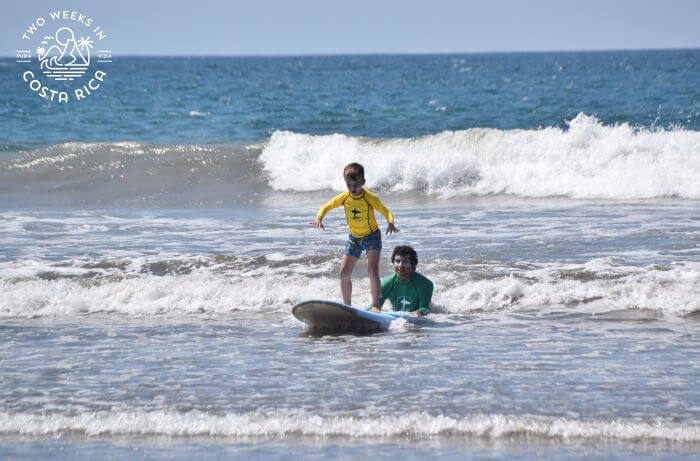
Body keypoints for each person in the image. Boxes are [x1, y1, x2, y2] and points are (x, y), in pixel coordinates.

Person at [311, 162, 398, 309]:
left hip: (372, 236)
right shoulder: (344, 197)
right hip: (354, 238)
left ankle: (376, 306)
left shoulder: (369, 198)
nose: (352, 188)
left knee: (372, 271)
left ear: (363, 182)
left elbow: (385, 211)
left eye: (355, 185)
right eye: (348, 185)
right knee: (344, 272)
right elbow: (327, 206)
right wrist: (319, 217)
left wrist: (390, 222)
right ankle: (347, 307)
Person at [369, 245, 433, 316]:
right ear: (393, 263)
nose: (400, 265)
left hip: (418, 320)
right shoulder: (387, 283)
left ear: (412, 265)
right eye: (397, 261)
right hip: (396, 319)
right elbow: (374, 307)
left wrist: (420, 312)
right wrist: (372, 310)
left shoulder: (425, 284)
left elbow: (425, 308)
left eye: (405, 261)